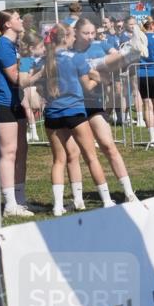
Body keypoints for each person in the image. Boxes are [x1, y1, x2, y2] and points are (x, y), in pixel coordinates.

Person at [36, 24, 116, 216]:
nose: (74, 39)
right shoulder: (77, 58)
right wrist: (99, 79)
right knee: (91, 157)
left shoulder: (44, 60)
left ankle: (57, 206)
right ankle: (106, 200)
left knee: (59, 160)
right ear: (66, 38)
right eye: (72, 35)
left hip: (53, 113)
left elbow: (39, 87)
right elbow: (87, 85)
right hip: (75, 111)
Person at [71, 17, 140, 201]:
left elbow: (113, 64)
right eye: (86, 33)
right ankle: (77, 200)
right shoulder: (70, 51)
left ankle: (129, 193)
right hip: (73, 106)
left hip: (94, 104)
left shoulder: (99, 46)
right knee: (77, 153)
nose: (90, 36)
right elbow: (85, 78)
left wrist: (122, 58)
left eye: (93, 33)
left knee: (109, 146)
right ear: (76, 33)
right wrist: (98, 75)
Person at [0, 11, 34, 217]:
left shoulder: (13, 46)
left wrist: (26, 104)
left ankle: (20, 199)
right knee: (9, 152)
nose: (21, 21)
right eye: (18, 18)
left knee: (21, 151)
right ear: (8, 24)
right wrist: (34, 67)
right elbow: (17, 78)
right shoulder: (3, 45)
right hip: (2, 103)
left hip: (15, 102)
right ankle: (10, 204)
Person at [137, 16, 154, 145]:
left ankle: (152, 138)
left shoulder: (139, 39)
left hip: (142, 74)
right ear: (153, 25)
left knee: (147, 106)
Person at [19, 31, 45, 143]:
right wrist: (39, 73)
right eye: (41, 46)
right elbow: (23, 81)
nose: (44, 49)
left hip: (37, 90)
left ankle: (33, 133)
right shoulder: (24, 61)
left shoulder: (39, 60)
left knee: (30, 111)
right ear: (31, 48)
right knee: (28, 110)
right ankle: (33, 133)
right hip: (27, 91)